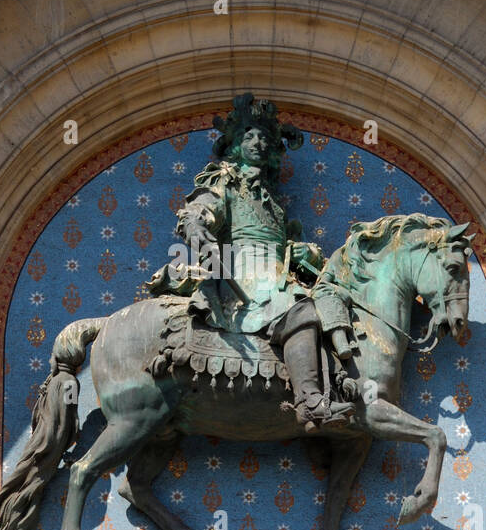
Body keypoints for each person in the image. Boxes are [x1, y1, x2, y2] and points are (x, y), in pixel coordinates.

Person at [150, 94, 355, 427]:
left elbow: (279, 243)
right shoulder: (224, 181)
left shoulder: (272, 199)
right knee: (300, 309)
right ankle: (309, 402)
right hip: (243, 276)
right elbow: (197, 213)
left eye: (264, 137)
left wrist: (303, 253)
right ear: (236, 144)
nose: (258, 142)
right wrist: (199, 232)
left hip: (276, 274)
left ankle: (342, 378)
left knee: (334, 297)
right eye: (249, 135)